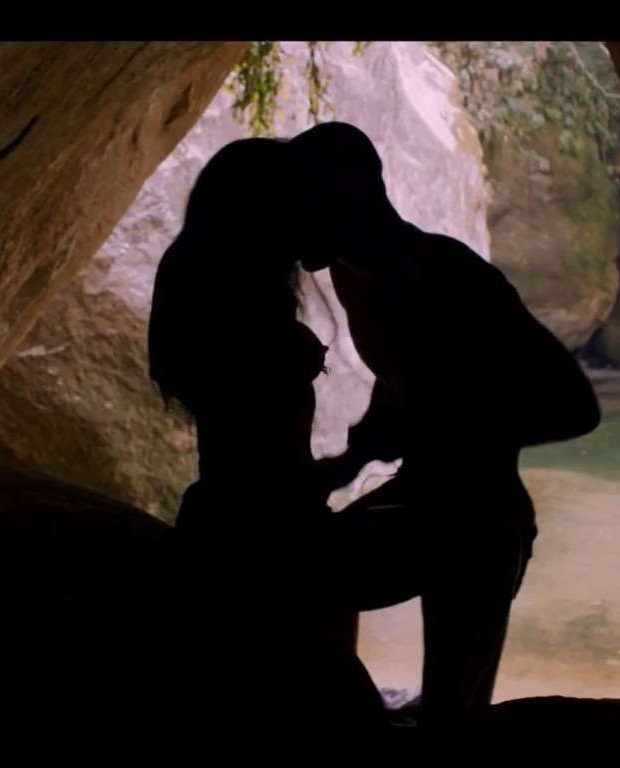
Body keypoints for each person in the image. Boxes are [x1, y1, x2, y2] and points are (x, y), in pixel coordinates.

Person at [288, 121, 603, 725]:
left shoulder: (449, 277)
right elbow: (402, 373)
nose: (289, 225)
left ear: (342, 201)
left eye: (301, 206)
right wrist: (353, 459)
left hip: (482, 523)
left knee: (453, 717)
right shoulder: (352, 275)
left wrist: (448, 431)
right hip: (422, 504)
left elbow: (575, 405)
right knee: (308, 578)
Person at [146, 136, 388, 726]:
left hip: (220, 524)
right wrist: (356, 460)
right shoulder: (253, 324)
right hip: (278, 541)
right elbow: (273, 475)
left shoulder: (199, 291)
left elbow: (244, 460)